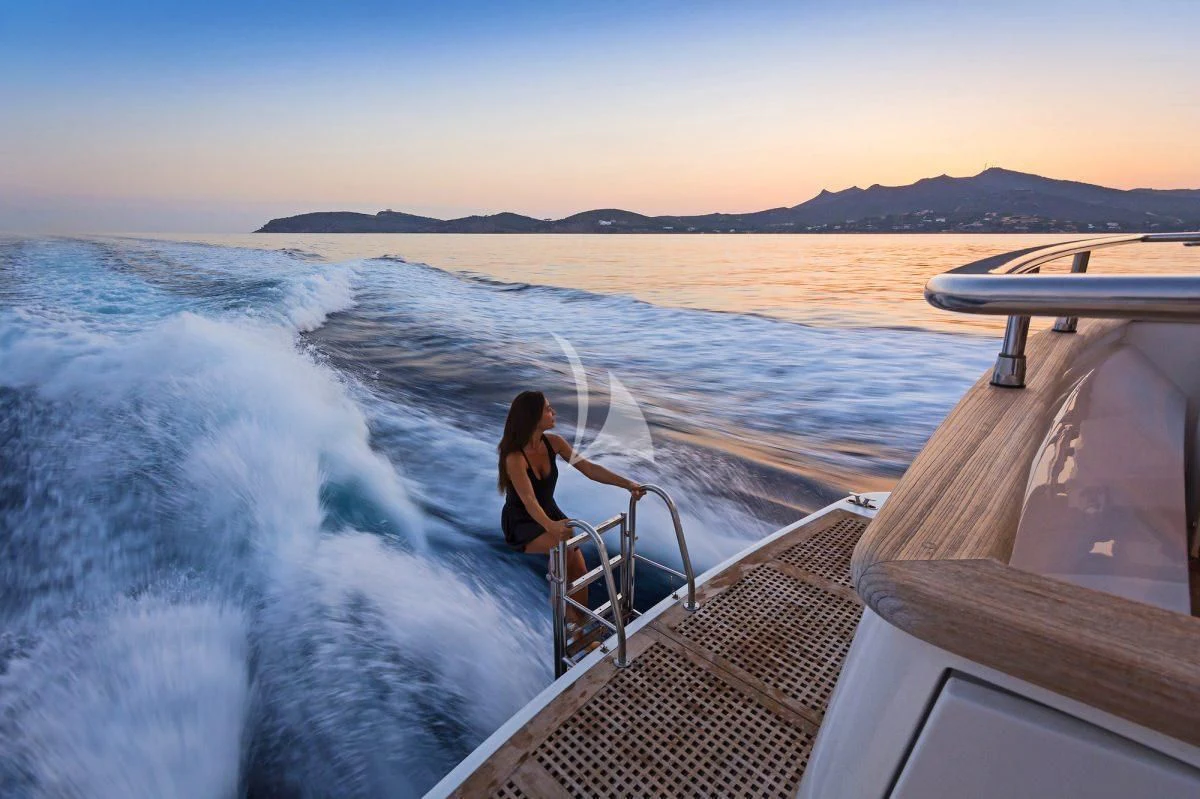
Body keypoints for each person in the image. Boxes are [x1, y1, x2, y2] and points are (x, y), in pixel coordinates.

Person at [498, 390, 645, 626]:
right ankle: (561, 610)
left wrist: (628, 484)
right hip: (521, 522)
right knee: (563, 549)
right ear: (533, 417)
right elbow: (528, 500)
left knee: (580, 568)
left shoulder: (554, 443)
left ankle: (579, 626)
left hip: (550, 512)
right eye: (547, 408)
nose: (553, 412)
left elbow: (589, 469)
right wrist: (551, 526)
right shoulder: (515, 457)